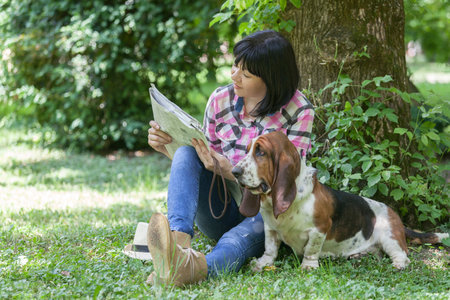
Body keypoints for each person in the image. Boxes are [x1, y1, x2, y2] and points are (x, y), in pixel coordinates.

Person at [146, 30, 314, 287]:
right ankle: (178, 243)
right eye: (236, 65)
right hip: (220, 207)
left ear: (271, 78)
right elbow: (205, 160)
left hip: (268, 214)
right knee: (186, 152)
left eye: (245, 74)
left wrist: (228, 170)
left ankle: (194, 269)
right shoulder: (220, 100)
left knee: (239, 239)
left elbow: (289, 180)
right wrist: (167, 148)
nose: (234, 76)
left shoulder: (299, 110)